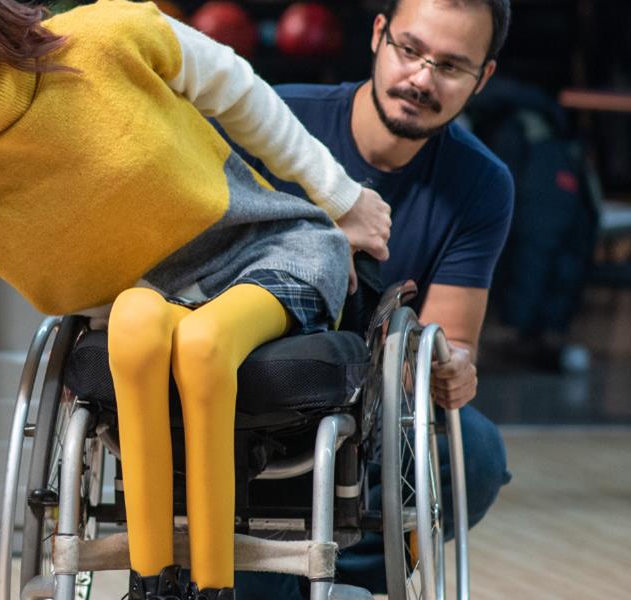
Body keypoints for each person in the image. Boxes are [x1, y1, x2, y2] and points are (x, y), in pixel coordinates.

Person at [0, 1, 393, 598]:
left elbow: (237, 87)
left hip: (267, 253)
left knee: (203, 344)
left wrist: (338, 196)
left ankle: (213, 590)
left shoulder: (106, 39)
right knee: (131, 321)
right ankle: (155, 587)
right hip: (148, 302)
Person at [220, 0, 516, 596]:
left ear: (482, 78)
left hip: (367, 408)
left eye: (451, 67)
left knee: (474, 452)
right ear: (379, 36)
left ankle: (317, 572)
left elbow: (453, 340)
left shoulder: (481, 183)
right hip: (242, 400)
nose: (422, 79)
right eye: (410, 50)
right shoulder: (273, 120)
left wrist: (453, 367)